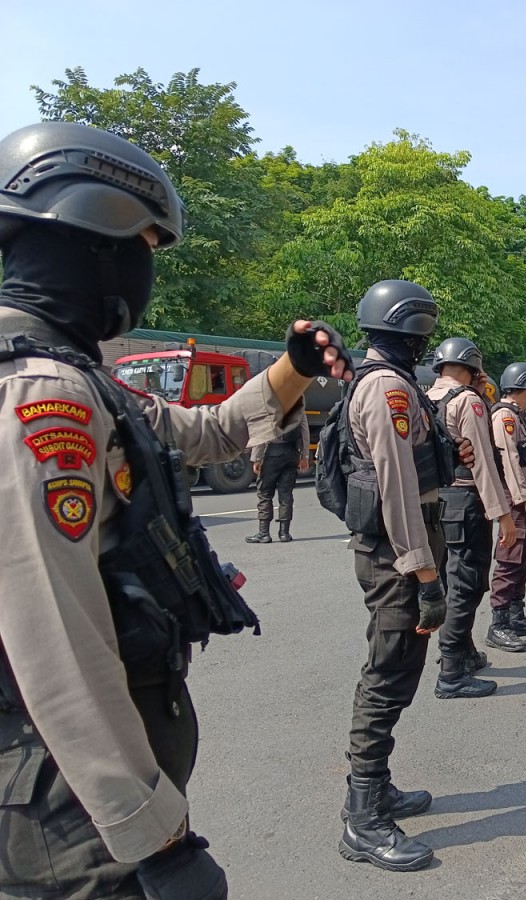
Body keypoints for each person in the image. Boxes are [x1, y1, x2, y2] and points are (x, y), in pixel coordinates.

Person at [0, 120, 353, 899]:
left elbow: (209, 432)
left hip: (80, 786)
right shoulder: (42, 395)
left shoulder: (79, 380)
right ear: (98, 246)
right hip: (73, 808)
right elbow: (54, 636)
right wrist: (155, 840)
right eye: (144, 247)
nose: (146, 269)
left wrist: (291, 371)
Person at [338, 279, 458, 873]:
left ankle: (376, 787)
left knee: (400, 668)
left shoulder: (391, 379)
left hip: (402, 546)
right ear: (414, 329)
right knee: (388, 673)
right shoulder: (387, 387)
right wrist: (425, 573)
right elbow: (398, 487)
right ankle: (362, 818)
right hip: (399, 552)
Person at [427, 337, 515, 700]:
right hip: (466, 501)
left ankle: (463, 653)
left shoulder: (425, 397)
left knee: (450, 581)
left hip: (435, 502)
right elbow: (482, 462)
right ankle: (451, 672)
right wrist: (503, 514)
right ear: (474, 367)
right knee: (467, 585)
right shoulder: (467, 401)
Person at [486, 363, 526, 652]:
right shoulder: (505, 416)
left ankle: (516, 615)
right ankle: (498, 624)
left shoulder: (520, 415)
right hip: (518, 498)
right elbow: (509, 461)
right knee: (510, 559)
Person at [246, 396, 310, 543]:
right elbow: (304, 431)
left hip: (273, 454)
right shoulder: (298, 404)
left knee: (265, 492)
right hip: (292, 453)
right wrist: (304, 456)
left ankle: (264, 533)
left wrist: (256, 458)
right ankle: (284, 533)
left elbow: (262, 433)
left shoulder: (269, 404)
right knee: (286, 494)